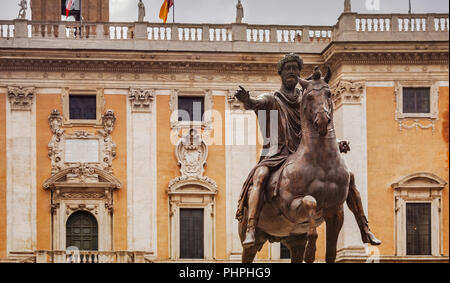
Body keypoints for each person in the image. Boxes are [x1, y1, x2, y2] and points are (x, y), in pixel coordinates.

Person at [235, 53, 380, 247]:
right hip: (279, 154)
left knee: (348, 177)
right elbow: (255, 104)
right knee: (260, 176)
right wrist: (247, 100)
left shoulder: (307, 98)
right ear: (281, 73)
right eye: (288, 68)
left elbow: (317, 129)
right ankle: (251, 228)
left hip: (305, 154)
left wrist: (336, 143)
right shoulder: (272, 99)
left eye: (296, 68)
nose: (292, 72)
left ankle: (364, 227)